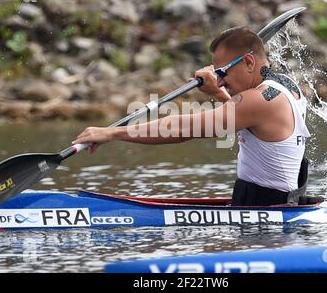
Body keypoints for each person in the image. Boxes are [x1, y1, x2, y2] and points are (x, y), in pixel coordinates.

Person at [72, 26, 312, 206]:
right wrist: (218, 91)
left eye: (222, 72)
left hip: (267, 219)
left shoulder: (257, 100)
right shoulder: (285, 86)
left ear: (248, 61)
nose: (220, 80)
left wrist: (112, 133)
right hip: (273, 204)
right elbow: (248, 119)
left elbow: (183, 129)